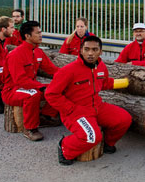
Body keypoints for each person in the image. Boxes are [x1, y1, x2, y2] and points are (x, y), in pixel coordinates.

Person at [45, 35, 131, 165]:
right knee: (92, 137)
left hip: (97, 107)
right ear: (81, 50)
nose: (90, 53)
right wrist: (70, 108)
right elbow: (51, 94)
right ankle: (65, 147)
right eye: (87, 49)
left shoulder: (101, 66)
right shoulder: (68, 70)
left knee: (124, 119)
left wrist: (124, 82)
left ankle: (108, 143)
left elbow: (105, 82)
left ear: (100, 52)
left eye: (95, 49)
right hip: (75, 112)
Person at [2, 21, 61, 141]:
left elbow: (53, 70)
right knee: (33, 95)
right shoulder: (16, 54)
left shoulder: (38, 51)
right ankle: (29, 129)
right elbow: (20, 80)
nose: (40, 35)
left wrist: (69, 77)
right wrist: (41, 87)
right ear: (27, 36)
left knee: (59, 86)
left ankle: (46, 116)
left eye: (40, 32)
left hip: (30, 87)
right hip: (12, 91)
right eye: (37, 33)